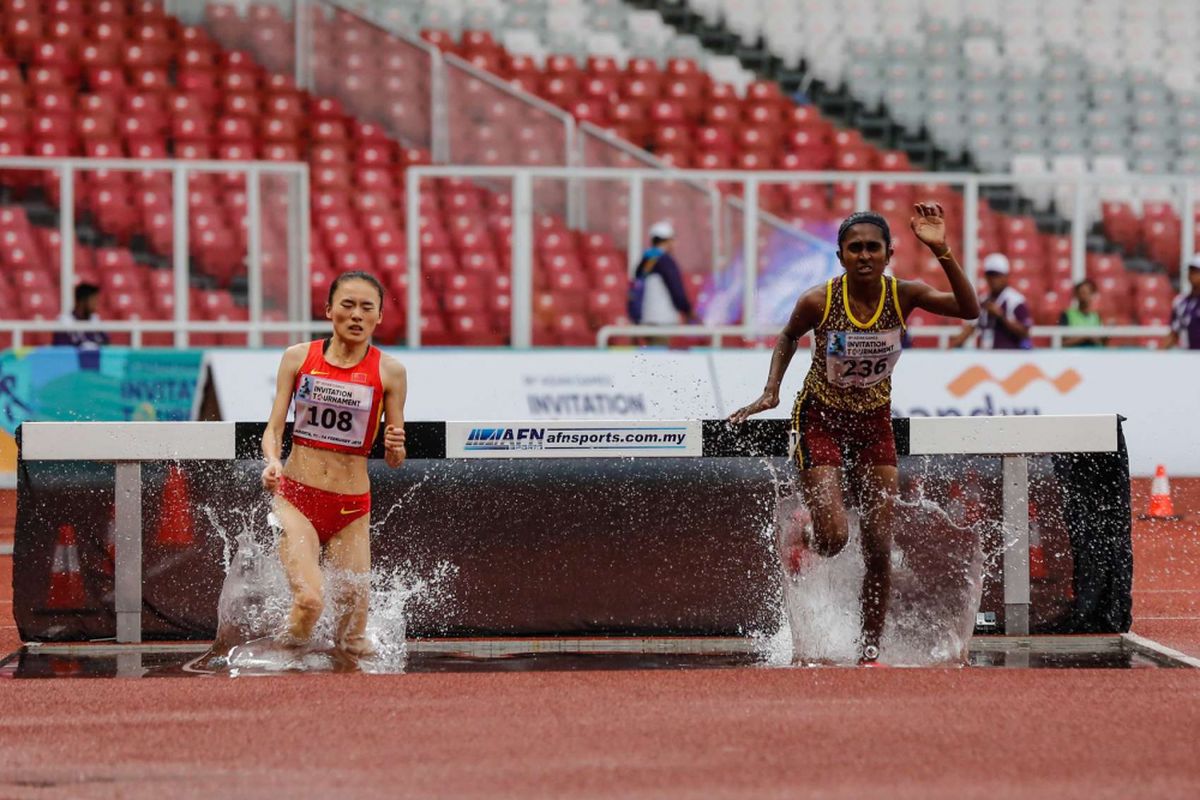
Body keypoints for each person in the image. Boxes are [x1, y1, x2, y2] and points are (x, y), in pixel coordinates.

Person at [728, 205, 980, 664]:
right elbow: (787, 337)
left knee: (880, 546)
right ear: (841, 255)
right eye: (855, 248)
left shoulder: (903, 295)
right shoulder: (818, 301)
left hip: (873, 422)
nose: (864, 255)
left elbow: (969, 309)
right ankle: (804, 535)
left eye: (873, 248)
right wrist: (771, 392)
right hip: (820, 418)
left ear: (888, 254)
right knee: (834, 538)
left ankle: (868, 650)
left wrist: (941, 248)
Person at [260, 271, 408, 659]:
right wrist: (272, 461)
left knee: (353, 641)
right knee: (309, 602)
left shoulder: (390, 372)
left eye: (366, 308)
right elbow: (273, 428)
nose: (356, 315)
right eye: (347, 305)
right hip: (297, 499)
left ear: (378, 318)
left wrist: (395, 447)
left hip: (351, 510)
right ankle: (275, 672)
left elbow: (395, 458)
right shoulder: (298, 358)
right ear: (329, 311)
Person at [627, 221, 697, 338]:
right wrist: (687, 310)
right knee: (660, 353)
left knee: (649, 353)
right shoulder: (665, 261)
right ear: (668, 240)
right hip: (663, 320)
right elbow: (676, 289)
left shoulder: (645, 259)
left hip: (646, 319)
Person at [949, 253, 1032, 350]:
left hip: (1009, 358)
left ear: (1006, 276)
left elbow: (1025, 332)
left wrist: (1001, 316)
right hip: (986, 357)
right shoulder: (983, 300)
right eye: (990, 275)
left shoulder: (1015, 301)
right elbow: (971, 326)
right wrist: (955, 344)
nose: (993, 280)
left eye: (997, 275)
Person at [52, 282, 109, 349]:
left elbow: (106, 345)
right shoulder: (64, 321)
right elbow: (62, 351)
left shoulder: (96, 320)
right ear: (82, 301)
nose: (96, 305)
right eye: (93, 300)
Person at [1162, 254, 1200, 350]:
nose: (1192, 275)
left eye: (1196, 271)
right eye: (1191, 271)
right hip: (1188, 357)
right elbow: (1174, 333)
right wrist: (1159, 354)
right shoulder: (1180, 302)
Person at [1059, 278, 1106, 348]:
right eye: (1083, 293)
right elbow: (1063, 343)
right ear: (1076, 295)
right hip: (1074, 355)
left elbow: (1101, 343)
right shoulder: (1067, 315)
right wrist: (1085, 336)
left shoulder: (1096, 316)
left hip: (1094, 355)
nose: (1085, 296)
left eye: (1088, 293)